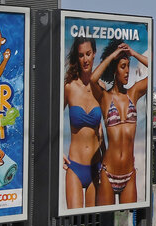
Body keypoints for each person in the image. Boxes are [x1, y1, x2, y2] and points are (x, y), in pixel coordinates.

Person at [90, 40, 150, 205]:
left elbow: (154, 69)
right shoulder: (105, 98)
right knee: (106, 223)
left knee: (129, 224)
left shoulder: (133, 93)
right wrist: (112, 56)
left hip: (129, 173)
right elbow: (92, 80)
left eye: (128, 66)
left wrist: (133, 53)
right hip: (108, 172)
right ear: (114, 69)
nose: (127, 72)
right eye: (122, 66)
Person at [63, 37, 102, 209]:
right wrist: (57, 151)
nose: (85, 59)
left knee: (93, 223)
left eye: (88, 54)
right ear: (76, 58)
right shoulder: (69, 87)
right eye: (81, 55)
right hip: (75, 166)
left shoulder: (100, 87)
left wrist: (107, 159)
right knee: (74, 220)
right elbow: (51, 118)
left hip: (96, 166)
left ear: (94, 54)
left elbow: (102, 130)